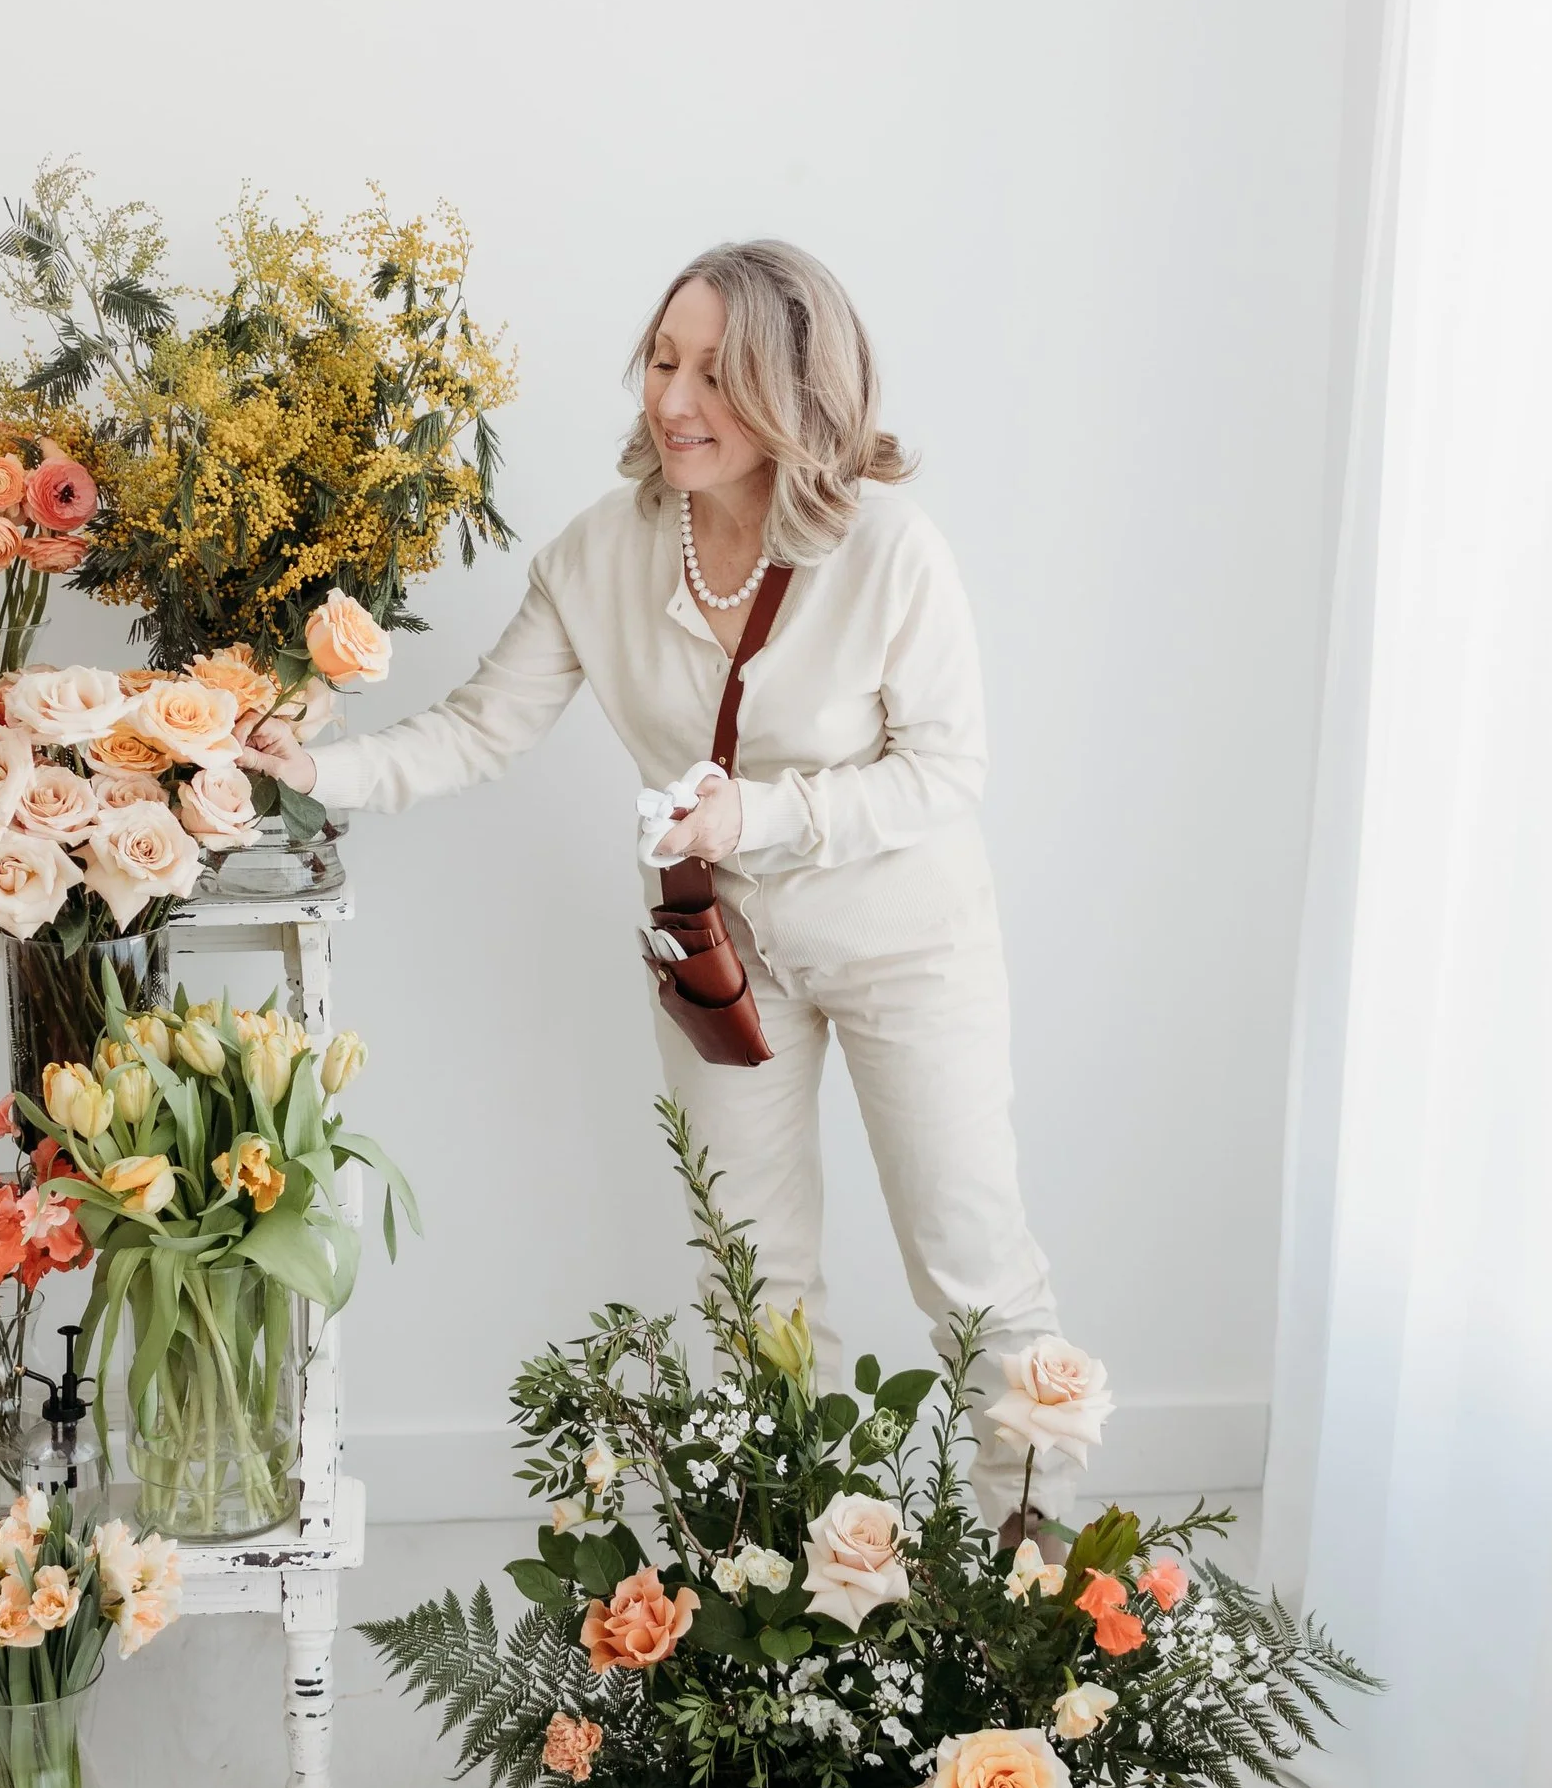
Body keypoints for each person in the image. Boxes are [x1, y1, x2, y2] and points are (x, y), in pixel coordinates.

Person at [238, 241, 1071, 1535]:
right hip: (719, 956)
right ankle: (809, 1569)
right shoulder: (602, 553)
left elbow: (948, 772)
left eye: (717, 375)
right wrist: (317, 767)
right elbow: (477, 728)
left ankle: (1038, 1559)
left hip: (909, 940)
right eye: (665, 363)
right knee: (755, 1278)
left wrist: (770, 811)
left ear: (802, 393)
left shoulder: (890, 549)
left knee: (970, 1266)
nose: (675, 401)